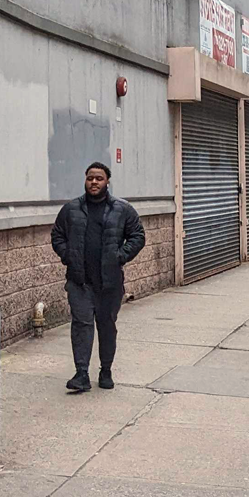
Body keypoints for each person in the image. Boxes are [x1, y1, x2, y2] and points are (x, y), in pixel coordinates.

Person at [50, 161, 146, 393]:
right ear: (85, 180)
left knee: (106, 326)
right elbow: (57, 235)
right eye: (90, 178)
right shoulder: (71, 209)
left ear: (107, 182)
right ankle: (81, 373)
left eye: (99, 178)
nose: (94, 182)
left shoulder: (122, 209)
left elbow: (138, 236)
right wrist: (68, 257)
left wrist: (119, 257)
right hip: (79, 282)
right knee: (81, 325)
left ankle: (106, 370)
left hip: (109, 283)